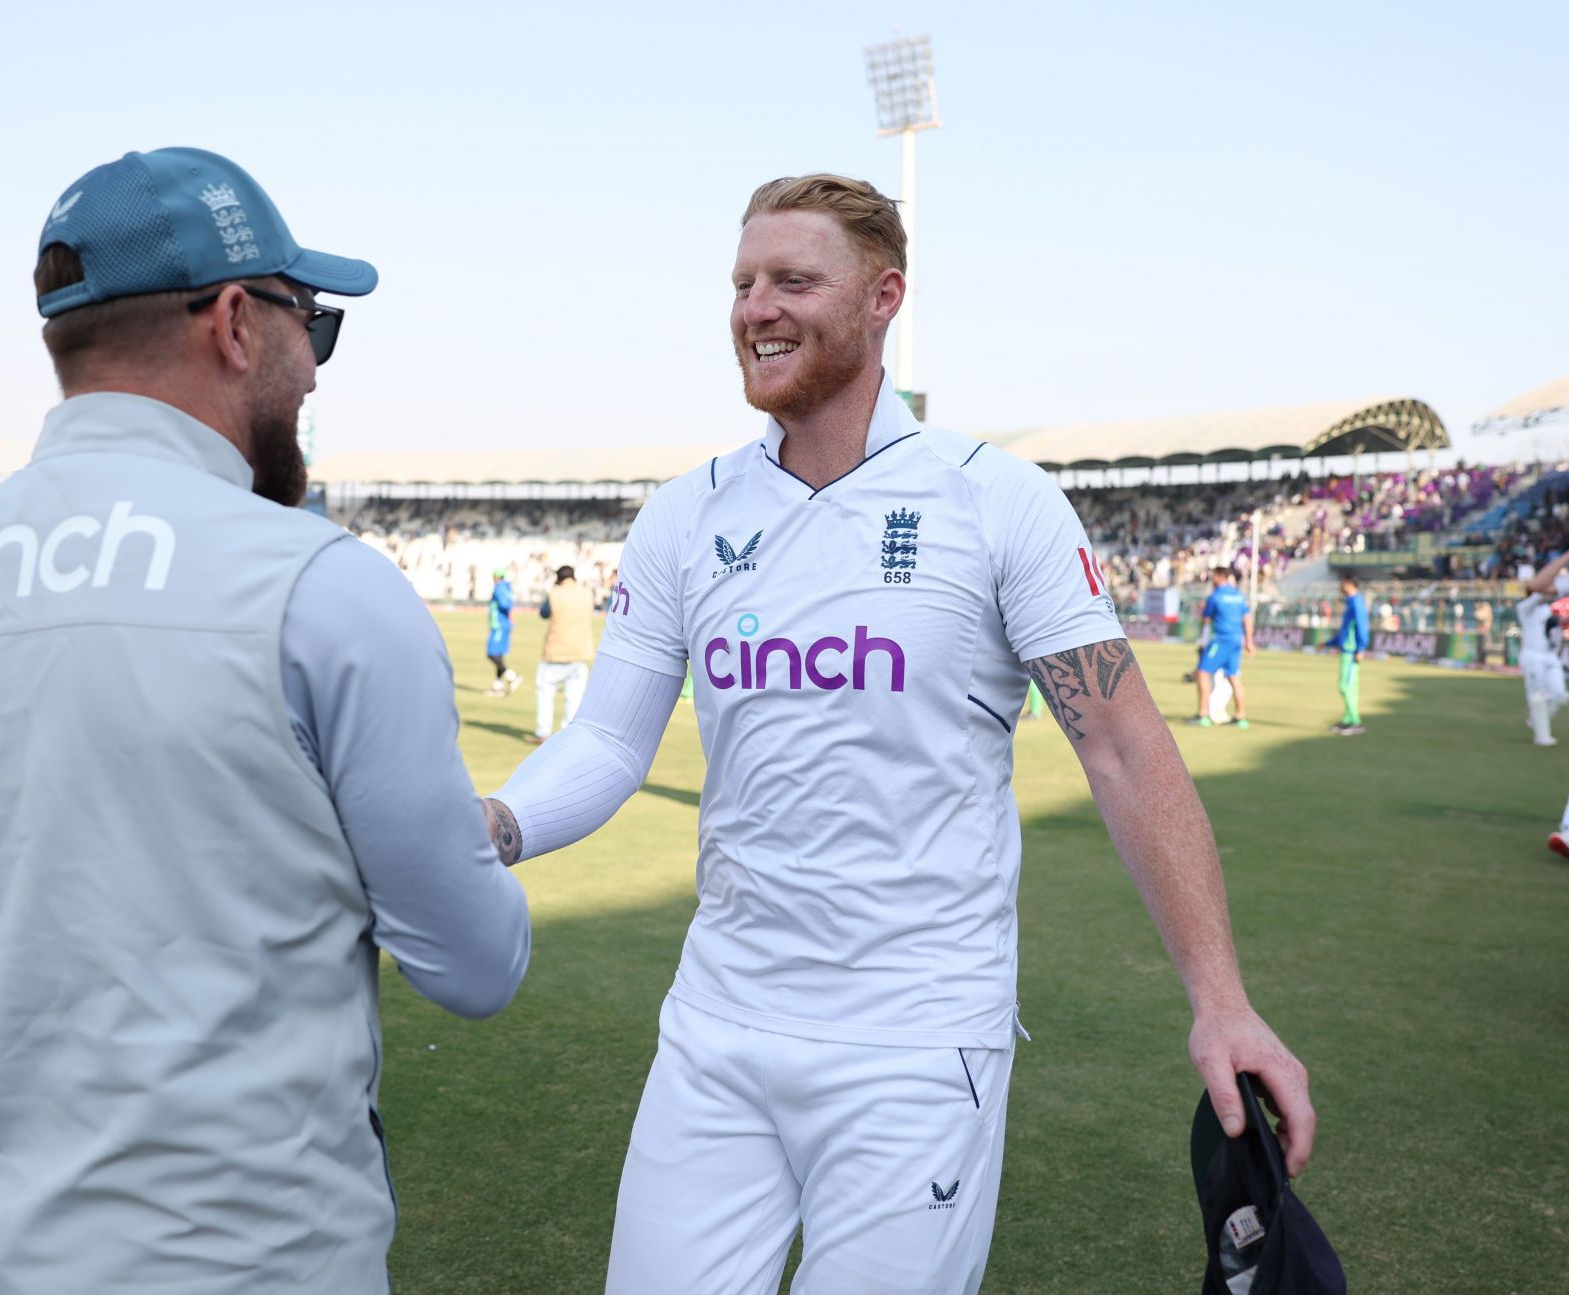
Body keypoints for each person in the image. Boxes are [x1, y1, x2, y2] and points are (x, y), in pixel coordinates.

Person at [483, 173, 1314, 1293]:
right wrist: (496, 821)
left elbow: (1121, 747)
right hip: (717, 1026)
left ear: (884, 297)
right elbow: (610, 742)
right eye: (740, 283)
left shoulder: (994, 501)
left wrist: (1221, 997)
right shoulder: (688, 512)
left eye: (791, 279)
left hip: (916, 1047)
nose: (754, 307)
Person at [0, 146, 531, 1294]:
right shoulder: (322, 584)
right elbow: (476, 961)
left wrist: (26, 1052)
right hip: (271, 1257)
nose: (314, 373)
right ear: (235, 320)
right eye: (310, 327)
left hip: (7, 1254)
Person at [532, 564, 595, 742]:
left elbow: (544, 613)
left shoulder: (555, 594)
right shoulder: (586, 594)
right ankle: (568, 735)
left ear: (558, 579)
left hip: (556, 651)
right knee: (574, 697)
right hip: (579, 652)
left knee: (545, 692)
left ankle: (543, 731)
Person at [1513, 552, 1569, 745]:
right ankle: (1542, 736)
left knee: (1560, 694)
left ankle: (1535, 720)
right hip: (1532, 656)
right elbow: (1537, 592)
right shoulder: (1524, 607)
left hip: (1549, 656)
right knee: (1538, 696)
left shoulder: (1547, 608)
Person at [1192, 565, 1252, 728]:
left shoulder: (1215, 596)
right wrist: (1249, 641)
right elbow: (1247, 618)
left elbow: (1205, 621)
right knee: (1234, 678)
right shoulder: (1239, 596)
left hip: (1220, 640)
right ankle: (1241, 718)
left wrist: (1202, 641)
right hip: (1235, 642)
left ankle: (1203, 715)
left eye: (1213, 576)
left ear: (1219, 577)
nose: (1212, 579)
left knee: (1202, 673)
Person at [1332, 575, 1370, 735]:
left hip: (1351, 651)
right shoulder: (1351, 602)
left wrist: (1361, 648)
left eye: (1342, 581)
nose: (1340, 584)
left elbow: (1362, 626)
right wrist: (1330, 643)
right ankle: (1348, 719)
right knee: (1347, 686)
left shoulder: (1356, 602)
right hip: (1347, 650)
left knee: (1346, 686)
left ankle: (1355, 722)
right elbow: (1346, 630)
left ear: (1348, 583)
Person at [486, 566, 521, 694]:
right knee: (499, 654)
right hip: (503, 624)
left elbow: (505, 604)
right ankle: (497, 684)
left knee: (492, 653)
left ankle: (512, 676)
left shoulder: (499, 588)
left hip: (499, 625)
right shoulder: (506, 587)